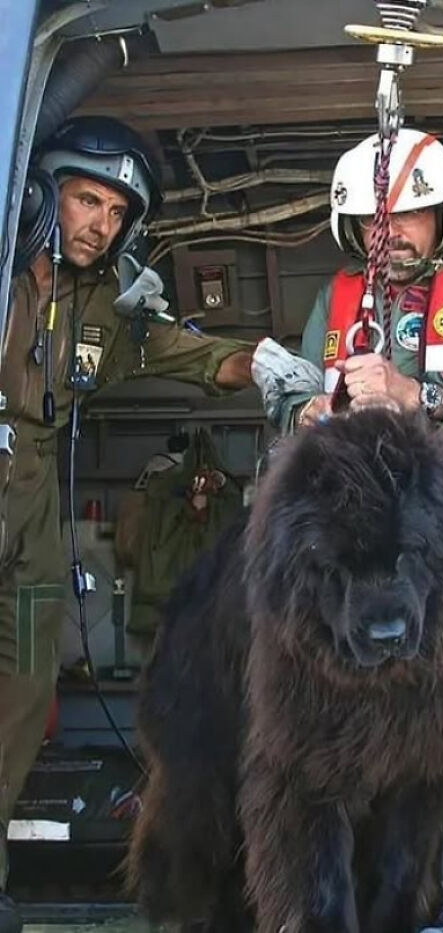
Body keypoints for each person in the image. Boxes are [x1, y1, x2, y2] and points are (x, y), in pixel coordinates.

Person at [277, 129, 443, 933]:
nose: (381, 235)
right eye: (368, 222)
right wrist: (308, 410)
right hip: (359, 514)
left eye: (400, 218)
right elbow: (298, 391)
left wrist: (416, 393)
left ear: (441, 215)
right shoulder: (337, 297)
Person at [0, 116, 254, 933]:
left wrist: (275, 365)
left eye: (115, 213)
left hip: (33, 506)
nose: (99, 225)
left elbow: (199, 356)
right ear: (42, 197)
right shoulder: (6, 272)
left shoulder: (111, 306)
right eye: (85, 200)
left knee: (24, 683)